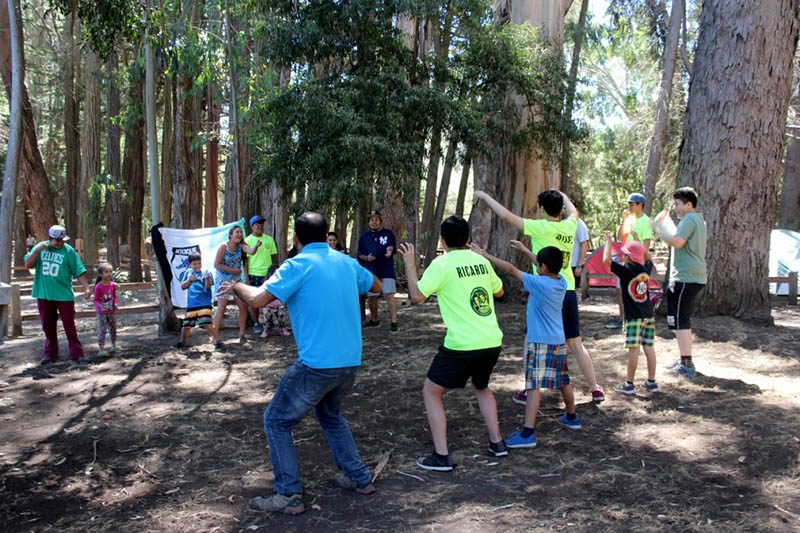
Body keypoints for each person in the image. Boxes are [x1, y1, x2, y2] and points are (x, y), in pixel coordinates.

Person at [219, 212, 381, 515]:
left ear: (297, 239)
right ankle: (359, 477)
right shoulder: (345, 262)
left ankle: (288, 494)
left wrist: (235, 285)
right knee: (329, 414)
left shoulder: (297, 265)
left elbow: (257, 300)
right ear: (325, 236)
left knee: (276, 421)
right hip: (350, 362)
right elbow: (374, 285)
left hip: (317, 364)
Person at [474, 190, 606, 404]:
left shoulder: (539, 227)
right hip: (567, 289)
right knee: (575, 343)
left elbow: (506, 215)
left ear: (542, 209)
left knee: (531, 338)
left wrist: (484, 196)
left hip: (543, 292)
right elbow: (574, 211)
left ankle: (529, 389)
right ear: (560, 208)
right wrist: (563, 195)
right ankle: (594, 388)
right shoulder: (569, 224)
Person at [398, 216, 507, 471]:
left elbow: (416, 296)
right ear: (468, 239)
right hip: (491, 339)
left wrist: (409, 263)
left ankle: (441, 455)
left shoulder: (442, 263)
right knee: (482, 386)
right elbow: (500, 292)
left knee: (431, 391)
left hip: (461, 344)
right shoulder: (480, 261)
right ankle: (497, 443)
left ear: (442, 240)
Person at [473, 244, 581, 448]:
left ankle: (527, 433)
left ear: (542, 267)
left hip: (540, 342)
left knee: (533, 386)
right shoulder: (561, 281)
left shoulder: (539, 283)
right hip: (558, 340)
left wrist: (486, 255)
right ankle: (572, 416)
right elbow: (545, 265)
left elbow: (511, 270)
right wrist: (525, 250)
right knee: (563, 379)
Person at [653, 187, 707, 378]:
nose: (675, 207)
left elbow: (677, 241)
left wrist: (658, 230)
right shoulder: (697, 220)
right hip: (692, 276)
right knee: (679, 320)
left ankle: (687, 363)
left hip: (686, 277)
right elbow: (680, 238)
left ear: (688, 204)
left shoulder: (690, 219)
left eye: (677, 203)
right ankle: (684, 358)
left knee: (680, 321)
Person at [24, 225, 91, 364]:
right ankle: (50, 354)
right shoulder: (41, 249)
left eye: (63, 240)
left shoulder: (69, 251)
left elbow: (79, 270)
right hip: (44, 294)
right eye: (57, 240)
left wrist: (86, 288)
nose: (60, 243)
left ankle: (76, 353)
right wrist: (37, 250)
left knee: (69, 325)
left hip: (64, 295)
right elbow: (28, 264)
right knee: (48, 326)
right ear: (50, 239)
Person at [602, 233, 660, 395]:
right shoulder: (646, 268)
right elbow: (647, 257)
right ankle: (651, 382)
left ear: (627, 257)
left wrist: (608, 242)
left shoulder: (626, 271)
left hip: (633, 317)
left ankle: (629, 385)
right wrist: (639, 243)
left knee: (634, 350)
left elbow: (606, 261)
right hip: (648, 315)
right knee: (649, 348)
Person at [607, 193, 654, 329]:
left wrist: (642, 259)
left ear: (641, 205)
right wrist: (623, 221)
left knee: (634, 290)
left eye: (632, 204)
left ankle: (636, 317)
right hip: (626, 258)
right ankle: (622, 317)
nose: (630, 207)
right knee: (620, 289)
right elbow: (621, 236)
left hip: (637, 262)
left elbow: (646, 244)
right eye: (629, 204)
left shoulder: (646, 222)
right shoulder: (629, 218)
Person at [213, 225, 258, 344]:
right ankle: (215, 336)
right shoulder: (223, 247)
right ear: (230, 234)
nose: (239, 234)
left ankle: (242, 334)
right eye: (237, 232)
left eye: (241, 232)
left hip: (236, 281)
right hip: (223, 280)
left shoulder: (241, 246)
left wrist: (257, 246)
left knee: (243, 306)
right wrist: (232, 270)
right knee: (222, 307)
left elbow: (251, 251)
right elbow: (217, 265)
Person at [357, 210, 399, 331]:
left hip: (386, 268)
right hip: (371, 269)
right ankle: (374, 320)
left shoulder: (388, 233)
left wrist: (389, 251)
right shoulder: (364, 237)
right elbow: (360, 253)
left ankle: (394, 322)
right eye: (371, 220)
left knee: (389, 294)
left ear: (380, 221)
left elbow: (391, 246)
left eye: (376, 219)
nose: (374, 222)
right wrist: (366, 257)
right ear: (368, 222)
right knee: (372, 296)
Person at [177, 253, 224, 350]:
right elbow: (183, 286)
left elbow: (208, 286)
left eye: (199, 263)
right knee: (187, 324)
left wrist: (207, 279)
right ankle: (182, 342)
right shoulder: (188, 273)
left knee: (206, 323)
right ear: (190, 264)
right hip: (192, 304)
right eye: (194, 264)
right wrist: (190, 280)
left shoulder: (206, 273)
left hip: (204, 303)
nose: (197, 265)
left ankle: (218, 340)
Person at [245, 215, 279, 335]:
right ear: (252, 226)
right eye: (257, 224)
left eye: (261, 224)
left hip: (268, 275)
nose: (259, 226)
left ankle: (270, 322)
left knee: (270, 299)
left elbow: (274, 257)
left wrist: (276, 270)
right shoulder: (248, 240)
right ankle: (256, 323)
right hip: (254, 273)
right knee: (254, 300)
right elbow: (246, 261)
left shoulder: (269, 239)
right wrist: (247, 278)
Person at [93, 263, 118, 357]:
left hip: (111, 312)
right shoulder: (98, 287)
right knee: (102, 330)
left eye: (110, 271)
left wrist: (115, 303)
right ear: (100, 274)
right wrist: (100, 307)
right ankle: (101, 349)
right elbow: (95, 300)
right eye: (106, 272)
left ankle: (114, 345)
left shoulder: (113, 285)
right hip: (102, 313)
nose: (109, 273)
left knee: (113, 328)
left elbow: (114, 297)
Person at [571, 217, 590, 289]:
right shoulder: (565, 222)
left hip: (574, 264)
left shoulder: (579, 224)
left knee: (573, 289)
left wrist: (579, 265)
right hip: (566, 264)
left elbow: (584, 244)